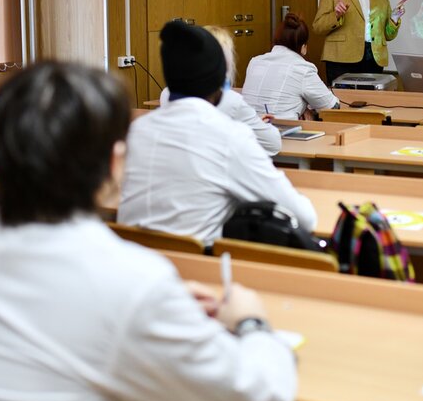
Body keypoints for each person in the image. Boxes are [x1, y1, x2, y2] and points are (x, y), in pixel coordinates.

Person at [0, 62, 296, 401]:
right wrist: (250, 322)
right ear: (114, 161)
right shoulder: (133, 282)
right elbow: (256, 398)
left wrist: (164, 306)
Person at [118, 20, 317, 244]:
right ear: (221, 77)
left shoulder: (135, 132)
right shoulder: (231, 138)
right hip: (198, 271)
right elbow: (304, 218)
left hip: (131, 263)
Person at [160, 25, 281, 155]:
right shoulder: (230, 100)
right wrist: (255, 126)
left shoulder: (166, 94)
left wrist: (250, 122)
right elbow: (273, 144)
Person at [313, 0, 406, 86]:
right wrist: (336, 15)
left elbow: (388, 35)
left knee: (371, 103)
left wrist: (394, 18)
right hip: (341, 59)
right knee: (343, 103)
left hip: (373, 58)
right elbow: (318, 27)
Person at [242, 13, 339, 120]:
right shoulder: (302, 69)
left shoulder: (255, 62)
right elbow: (332, 108)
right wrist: (308, 107)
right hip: (281, 131)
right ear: (303, 47)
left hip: (246, 130)